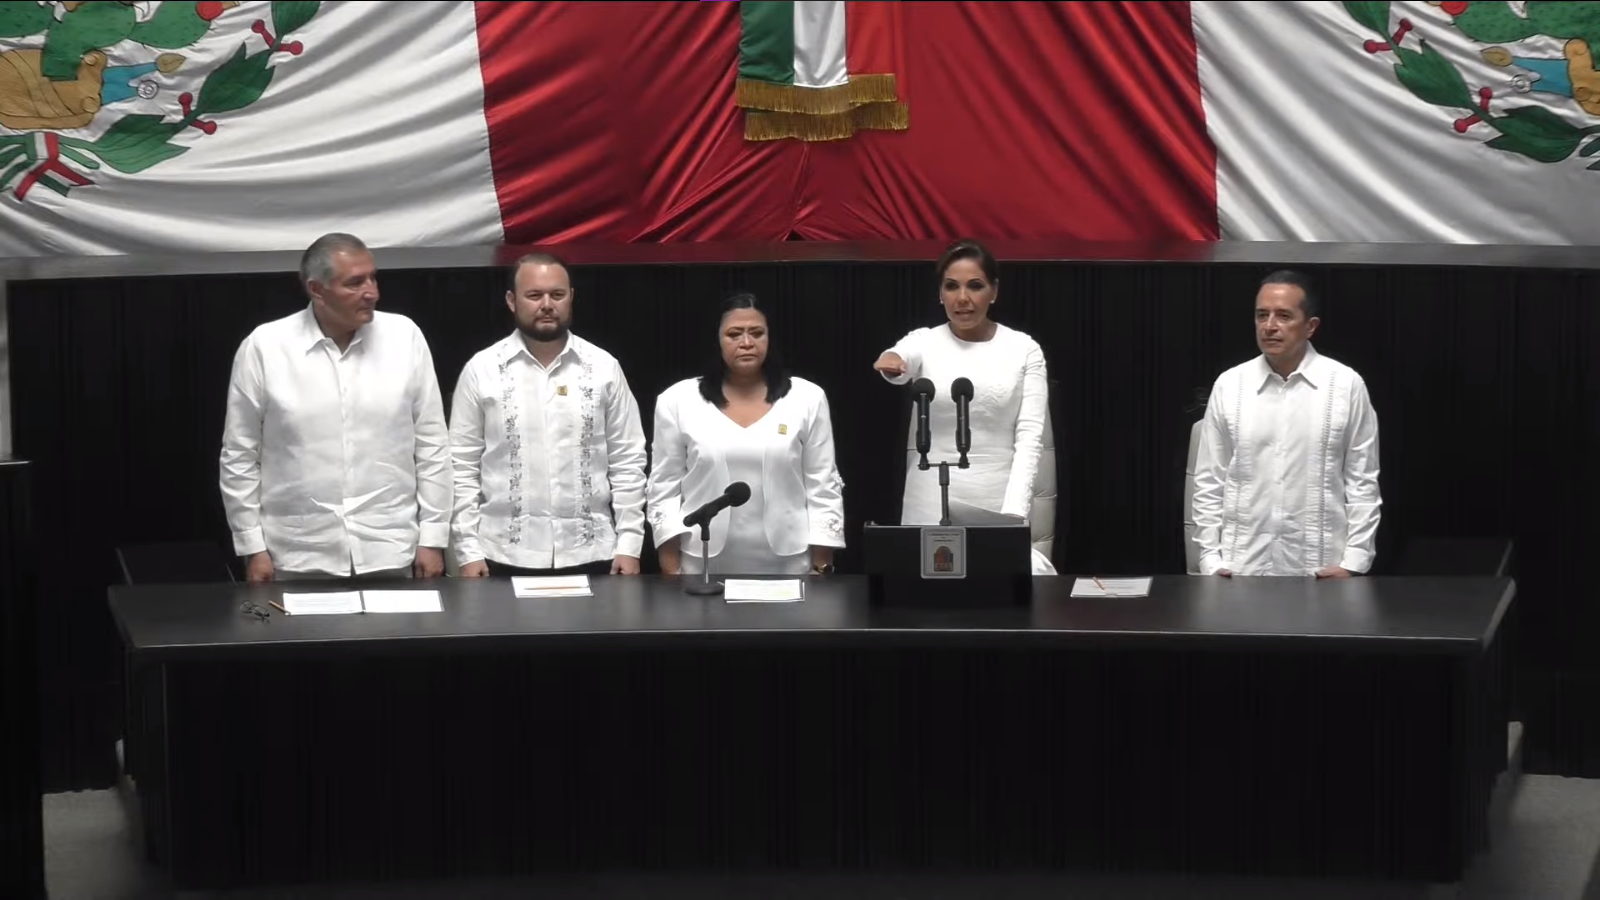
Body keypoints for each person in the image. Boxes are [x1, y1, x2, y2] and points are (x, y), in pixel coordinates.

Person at [219, 232, 451, 583]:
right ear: (317, 290)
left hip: (391, 548)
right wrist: (252, 547)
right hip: (295, 554)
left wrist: (433, 539)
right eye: (355, 282)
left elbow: (432, 445)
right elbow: (238, 456)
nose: (372, 292)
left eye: (373, 277)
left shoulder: (405, 337)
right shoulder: (265, 347)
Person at [448, 252, 648, 578]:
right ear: (512, 301)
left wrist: (629, 544)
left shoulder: (603, 368)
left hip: (594, 552)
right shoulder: (481, 370)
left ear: (571, 298)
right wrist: (467, 550)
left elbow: (628, 461)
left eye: (557, 295)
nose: (546, 304)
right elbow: (461, 466)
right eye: (534, 295)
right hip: (500, 554)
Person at [1190, 269, 1382, 578]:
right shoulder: (1230, 385)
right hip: (1241, 570)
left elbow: (1362, 481)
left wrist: (1353, 563)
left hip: (1319, 571)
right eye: (1261, 315)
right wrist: (1211, 560)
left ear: (1310, 326)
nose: (1269, 326)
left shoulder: (1345, 386)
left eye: (1283, 316)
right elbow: (1210, 480)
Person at [647, 292, 845, 577]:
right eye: (734, 334)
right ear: (716, 340)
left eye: (757, 333)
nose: (747, 343)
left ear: (770, 338)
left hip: (789, 567)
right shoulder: (677, 401)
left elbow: (823, 487)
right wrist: (670, 568)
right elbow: (663, 488)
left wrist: (821, 567)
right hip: (701, 566)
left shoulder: (807, 398)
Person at [872, 238, 1051, 527]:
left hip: (998, 498)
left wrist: (1014, 512)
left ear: (994, 291)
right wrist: (892, 362)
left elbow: (1030, 438)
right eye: (951, 286)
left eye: (975, 286)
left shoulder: (1024, 348)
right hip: (928, 497)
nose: (962, 298)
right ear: (940, 294)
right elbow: (900, 359)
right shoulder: (924, 340)